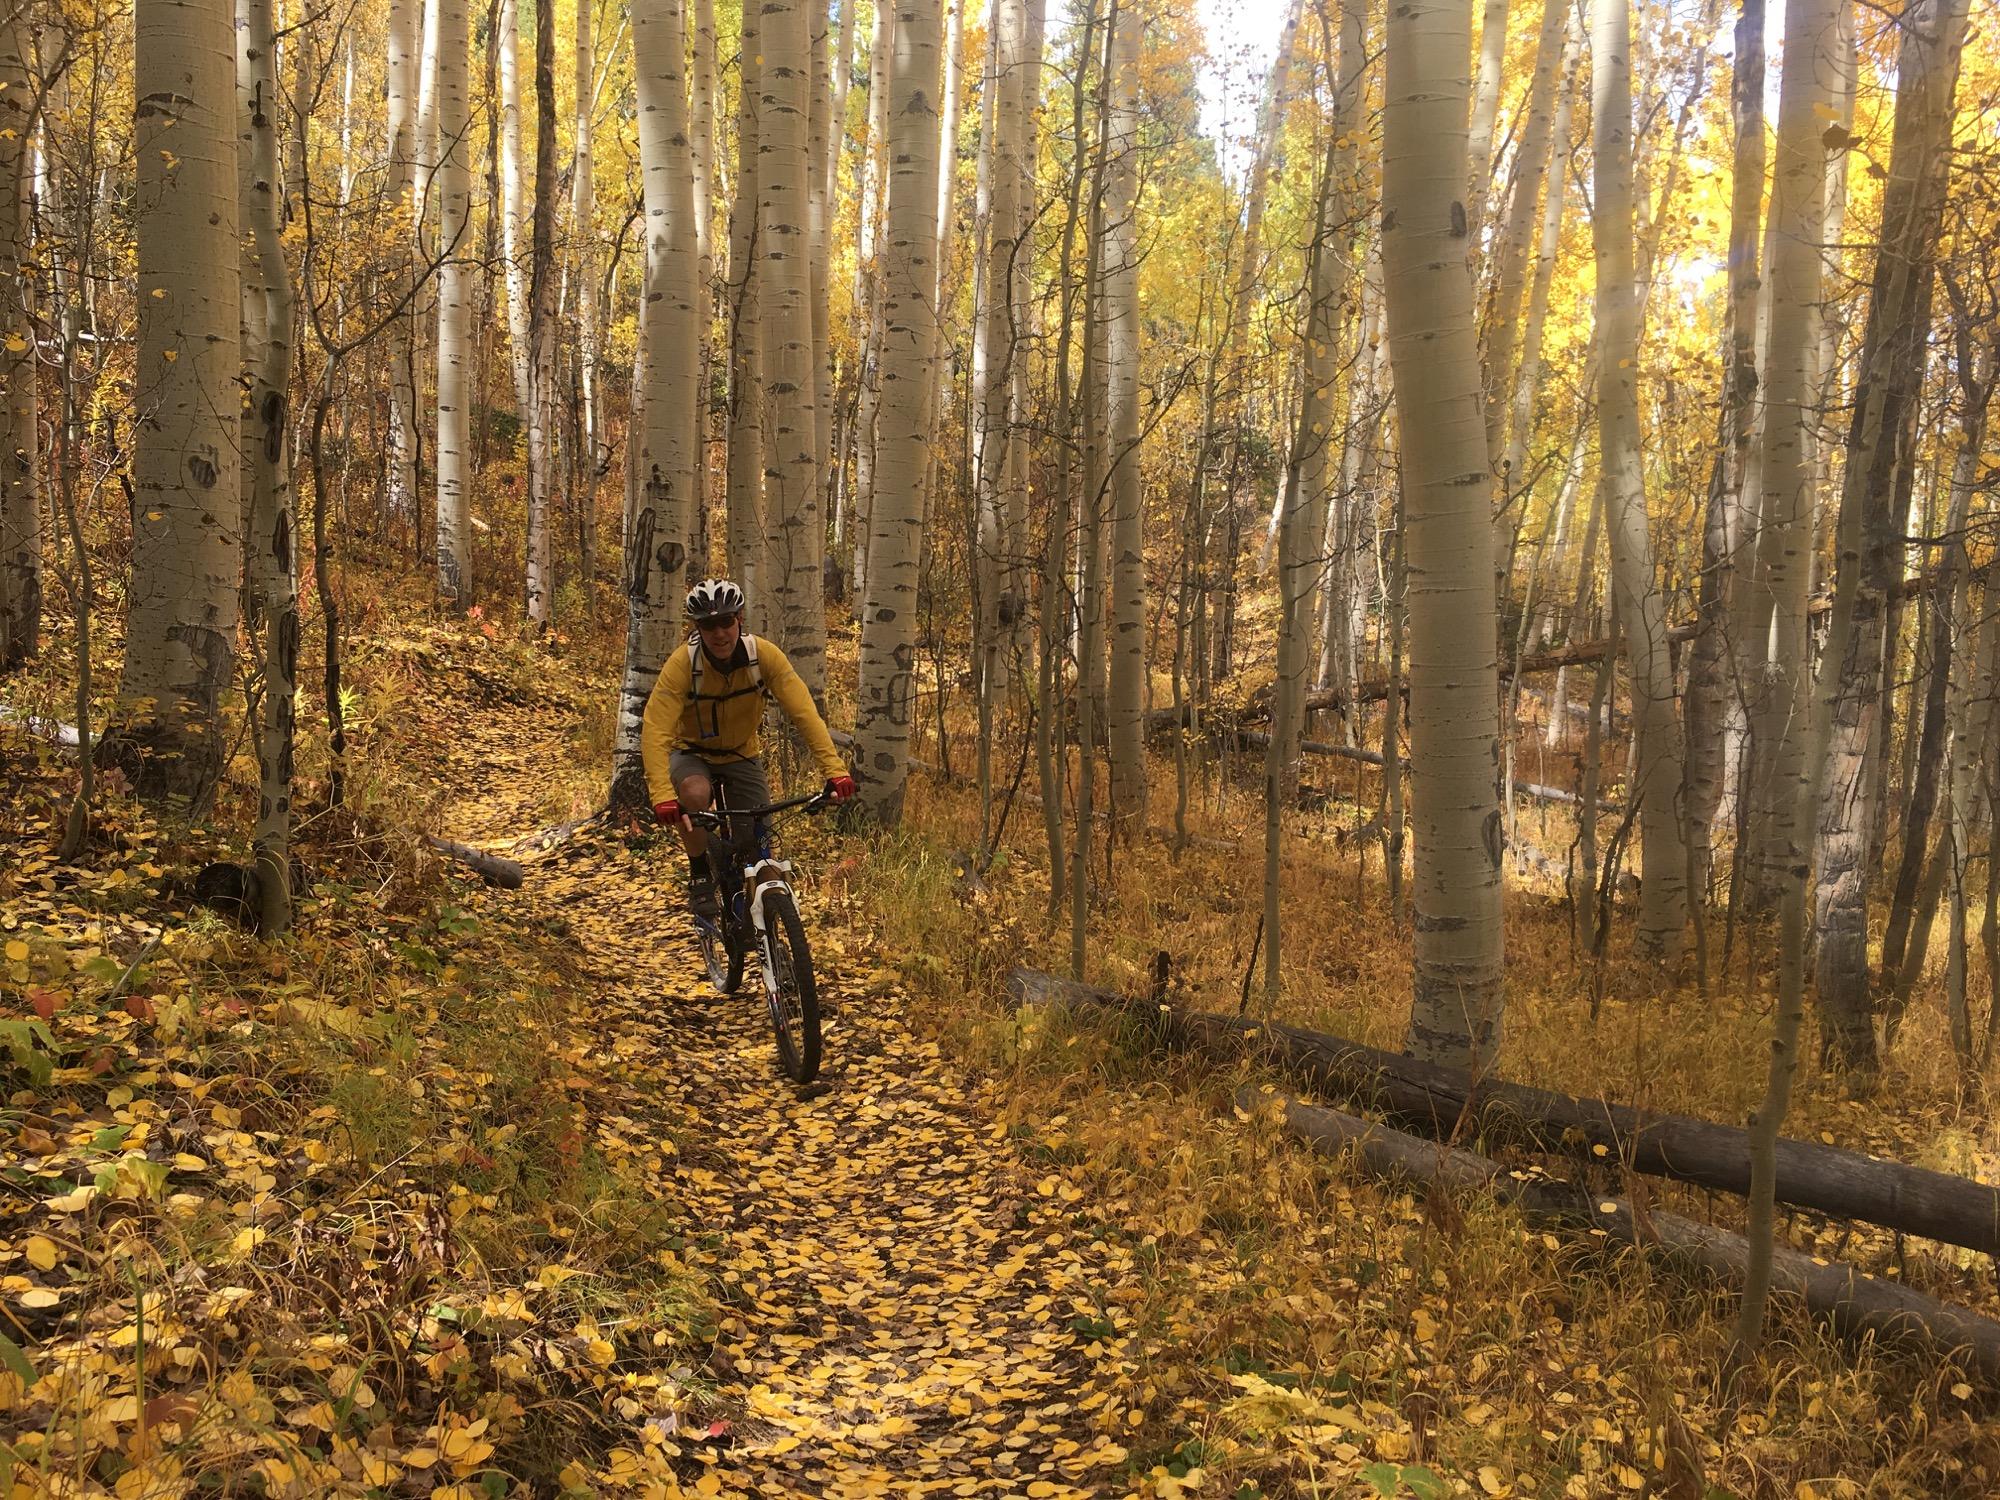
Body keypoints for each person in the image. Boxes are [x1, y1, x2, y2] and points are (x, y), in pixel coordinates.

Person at [640, 579, 856, 916]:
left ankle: (776, 945)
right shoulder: (683, 665)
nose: (719, 633)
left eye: (726, 621)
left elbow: (805, 714)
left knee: (763, 861)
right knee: (695, 793)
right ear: (697, 628)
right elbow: (656, 730)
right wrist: (662, 795)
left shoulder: (764, 657)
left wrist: (835, 771)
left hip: (742, 754)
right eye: (709, 625)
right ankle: (699, 872)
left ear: (740, 619)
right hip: (691, 752)